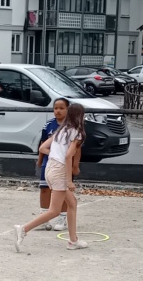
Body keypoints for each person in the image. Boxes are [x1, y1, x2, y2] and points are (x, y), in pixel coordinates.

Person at [14, 102, 88, 252]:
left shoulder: (60, 130)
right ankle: (24, 229)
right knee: (54, 211)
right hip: (59, 171)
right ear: (80, 116)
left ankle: (73, 241)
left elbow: (42, 148)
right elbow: (68, 156)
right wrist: (69, 180)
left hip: (50, 168)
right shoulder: (77, 132)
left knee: (72, 203)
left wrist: (55, 155)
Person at [35, 98, 75, 233]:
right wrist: (40, 160)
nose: (58, 111)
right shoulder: (48, 125)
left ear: (68, 109)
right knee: (44, 189)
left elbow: (77, 148)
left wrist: (75, 165)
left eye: (61, 108)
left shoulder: (72, 127)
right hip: (49, 162)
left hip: (64, 164)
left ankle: (62, 218)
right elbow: (42, 144)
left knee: (62, 191)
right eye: (55, 108)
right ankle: (44, 218)